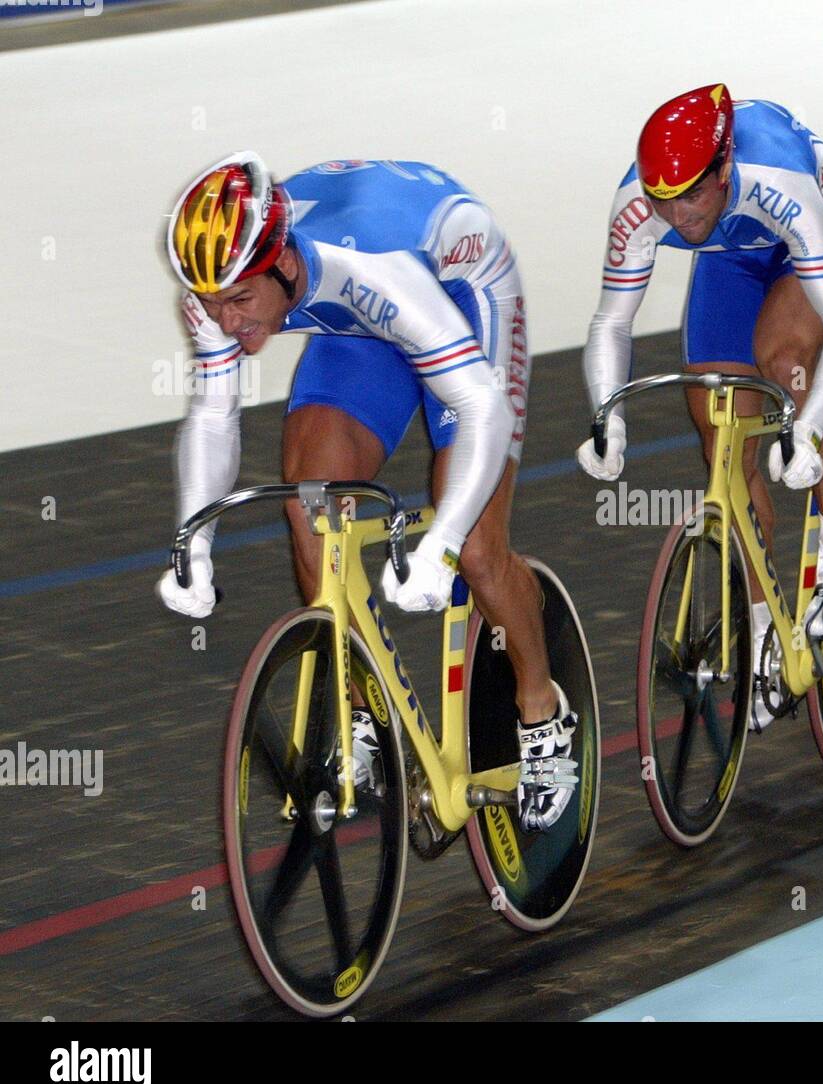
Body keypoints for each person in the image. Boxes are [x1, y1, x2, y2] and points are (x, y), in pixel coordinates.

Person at [157, 153, 574, 831]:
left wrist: (439, 546)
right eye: (211, 304)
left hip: (456, 292)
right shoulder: (219, 283)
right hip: (356, 324)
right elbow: (211, 413)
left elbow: (483, 409)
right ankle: (366, 712)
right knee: (309, 508)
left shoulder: (372, 267)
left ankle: (540, 708)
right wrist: (193, 543)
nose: (225, 321)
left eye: (239, 302)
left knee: (474, 548)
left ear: (284, 265)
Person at [576, 84, 823, 731]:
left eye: (691, 195)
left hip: (806, 237)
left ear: (724, 170)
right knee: (719, 437)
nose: (676, 215)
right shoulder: (643, 202)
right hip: (728, 258)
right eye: (664, 199)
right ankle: (766, 629)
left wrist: (810, 427)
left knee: (788, 356)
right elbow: (611, 322)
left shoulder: (778, 179)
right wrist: (607, 416)